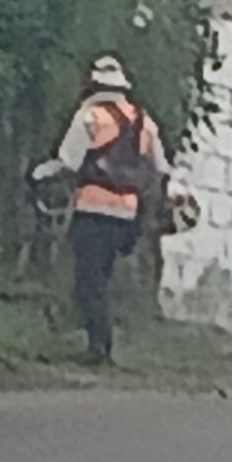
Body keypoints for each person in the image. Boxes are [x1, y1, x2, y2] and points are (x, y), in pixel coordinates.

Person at [40, 57, 169, 366]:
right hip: (128, 215)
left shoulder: (90, 116)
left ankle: (99, 345)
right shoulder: (144, 121)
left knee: (89, 281)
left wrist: (40, 174)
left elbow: (68, 161)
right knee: (103, 278)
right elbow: (160, 167)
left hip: (93, 210)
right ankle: (100, 342)